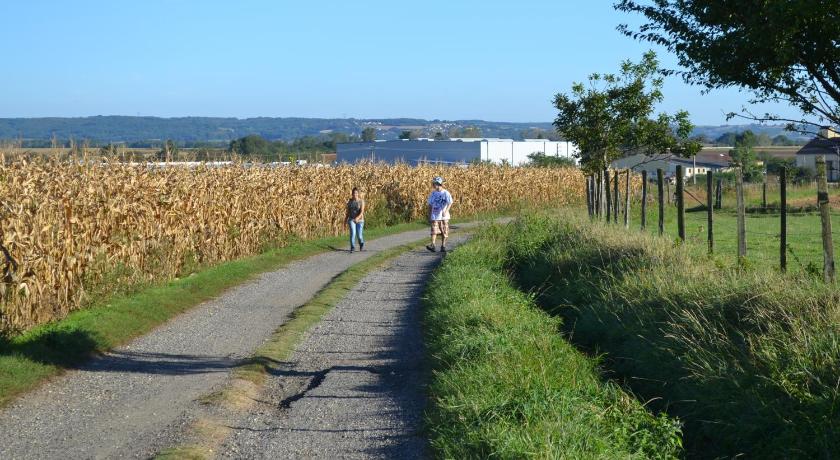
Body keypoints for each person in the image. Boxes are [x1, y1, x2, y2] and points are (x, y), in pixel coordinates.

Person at [426, 176, 453, 253]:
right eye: (433, 183)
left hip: (444, 215)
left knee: (444, 230)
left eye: (434, 183)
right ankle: (433, 245)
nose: (433, 185)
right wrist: (429, 214)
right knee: (434, 230)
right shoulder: (433, 193)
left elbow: (450, 202)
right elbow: (430, 204)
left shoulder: (445, 193)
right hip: (435, 214)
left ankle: (443, 246)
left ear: (438, 184)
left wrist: (446, 211)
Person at [345, 187, 365, 253]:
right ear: (352, 194)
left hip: (360, 220)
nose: (355, 194)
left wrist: (358, 218)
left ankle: (361, 244)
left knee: (359, 235)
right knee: (353, 233)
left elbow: (362, 212)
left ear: (358, 194)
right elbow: (347, 212)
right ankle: (352, 247)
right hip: (352, 219)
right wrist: (345, 220)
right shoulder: (350, 202)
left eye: (356, 193)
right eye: (353, 193)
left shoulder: (361, 201)